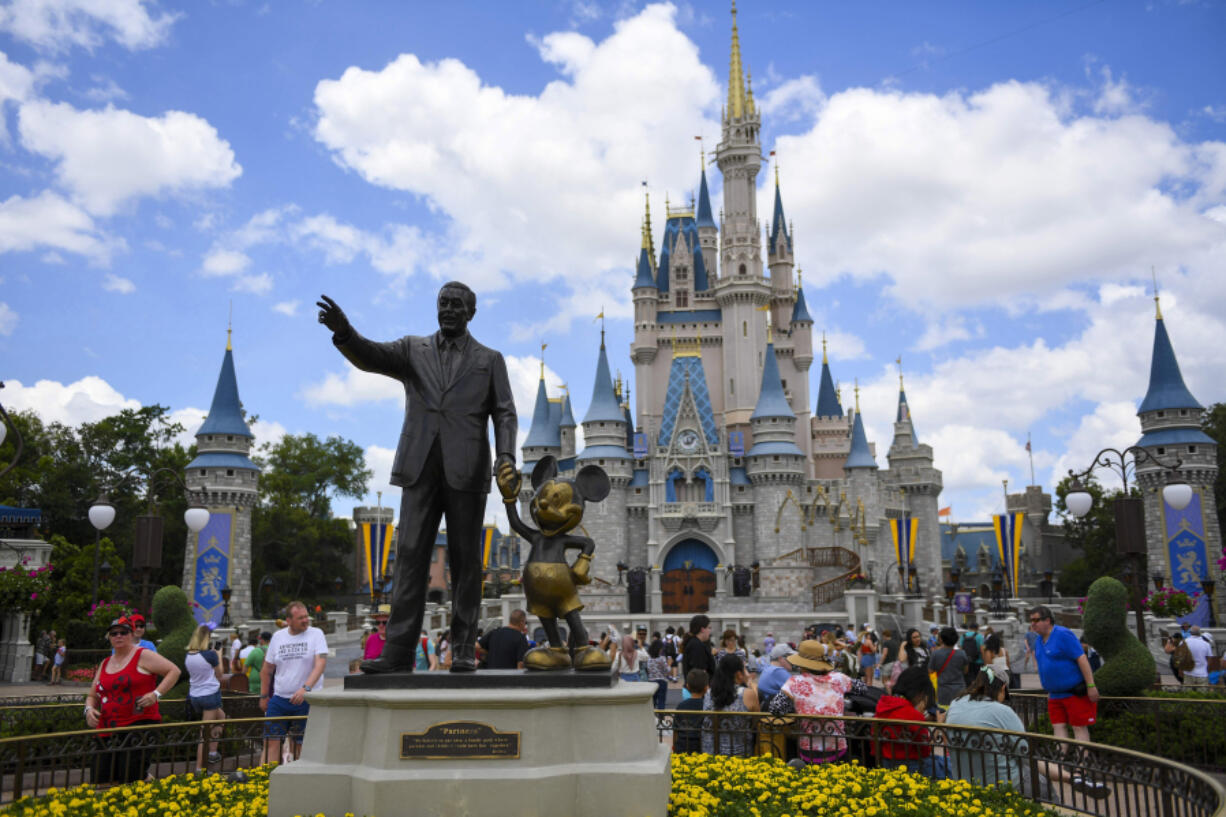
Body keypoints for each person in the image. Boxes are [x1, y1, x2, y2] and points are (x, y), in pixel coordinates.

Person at [319, 285, 517, 675]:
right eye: (442, 303)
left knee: (466, 561)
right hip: (419, 465)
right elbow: (371, 356)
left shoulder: (489, 359)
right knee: (409, 555)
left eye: (456, 305)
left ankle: (462, 648)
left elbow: (505, 413)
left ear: (471, 313)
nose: (448, 310)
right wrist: (345, 333)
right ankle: (397, 652)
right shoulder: (413, 349)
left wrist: (506, 455)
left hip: (468, 467)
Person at [945, 666, 1107, 799]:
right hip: (1003, 784)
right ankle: (1072, 783)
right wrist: (1067, 777)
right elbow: (1029, 757)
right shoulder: (1000, 711)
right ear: (1002, 688)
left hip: (964, 780)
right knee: (1041, 783)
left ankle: (1074, 780)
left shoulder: (955, 704)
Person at [84, 617, 181, 784]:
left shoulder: (142, 654)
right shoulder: (105, 662)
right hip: (107, 728)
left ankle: (148, 793)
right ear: (109, 637)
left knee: (130, 777)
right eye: (114, 633)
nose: (118, 636)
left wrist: (156, 694)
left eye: (123, 632)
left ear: (131, 634)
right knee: (101, 779)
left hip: (137, 725)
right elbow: (93, 695)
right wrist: (88, 709)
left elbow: (174, 671)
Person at [260, 601, 328, 763]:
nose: (306, 620)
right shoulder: (278, 637)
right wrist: (263, 695)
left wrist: (306, 688)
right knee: (271, 741)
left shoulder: (316, 634)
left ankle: (300, 782)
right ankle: (268, 781)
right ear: (288, 620)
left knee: (301, 745)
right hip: (280, 699)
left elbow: (321, 663)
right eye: (300, 618)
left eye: (306, 617)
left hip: (306, 700)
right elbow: (266, 669)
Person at [1029, 605, 1099, 744]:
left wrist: (1091, 685)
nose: (1033, 624)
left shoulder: (1063, 634)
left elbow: (1081, 658)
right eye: (1031, 620)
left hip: (1073, 692)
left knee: (1078, 727)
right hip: (1055, 694)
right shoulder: (1038, 640)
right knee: (1058, 727)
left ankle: (1083, 764)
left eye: (1036, 620)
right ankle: (1060, 762)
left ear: (1047, 620)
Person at [778, 641, 854, 763]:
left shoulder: (794, 681)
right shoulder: (839, 678)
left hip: (808, 749)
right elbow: (863, 688)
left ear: (801, 664)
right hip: (838, 747)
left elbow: (776, 708)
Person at [873, 664, 947, 778]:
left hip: (887, 764)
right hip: (914, 769)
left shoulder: (885, 704)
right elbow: (926, 751)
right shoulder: (913, 715)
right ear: (920, 693)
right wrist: (939, 726)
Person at [184, 623, 226, 771]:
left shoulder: (189, 655)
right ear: (207, 638)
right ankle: (200, 768)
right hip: (209, 695)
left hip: (195, 696)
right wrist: (218, 655)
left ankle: (213, 752)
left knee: (221, 717)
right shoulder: (210, 655)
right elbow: (220, 674)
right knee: (205, 733)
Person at [701, 653, 759, 756]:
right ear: (738, 673)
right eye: (744, 669)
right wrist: (752, 687)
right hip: (740, 753)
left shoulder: (709, 693)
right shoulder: (747, 694)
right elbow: (757, 721)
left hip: (710, 752)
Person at [929, 627, 968, 707]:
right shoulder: (962, 653)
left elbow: (930, 671)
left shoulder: (935, 654)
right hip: (960, 689)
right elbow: (965, 671)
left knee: (943, 713)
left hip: (943, 690)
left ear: (942, 639)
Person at [672, 669, 709, 753]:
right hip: (701, 745)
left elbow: (675, 729)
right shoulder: (707, 706)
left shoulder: (681, 706)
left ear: (687, 686)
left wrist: (674, 747)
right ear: (706, 688)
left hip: (682, 744)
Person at [681, 614, 715, 679]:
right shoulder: (696, 646)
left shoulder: (695, 643)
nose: (710, 631)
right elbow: (699, 673)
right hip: (698, 687)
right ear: (702, 629)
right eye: (709, 628)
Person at [645, 639, 670, 707]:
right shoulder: (662, 658)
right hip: (662, 681)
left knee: (652, 702)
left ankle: (653, 716)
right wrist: (669, 664)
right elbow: (667, 671)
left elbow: (648, 670)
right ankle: (661, 716)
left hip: (651, 681)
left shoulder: (648, 658)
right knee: (661, 701)